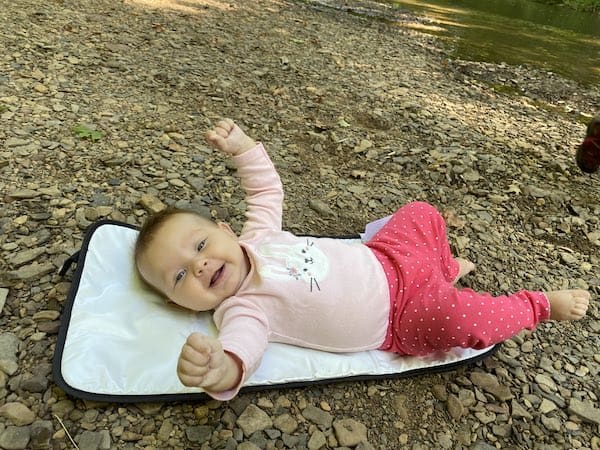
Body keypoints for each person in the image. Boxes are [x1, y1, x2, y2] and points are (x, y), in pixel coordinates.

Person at [134, 119, 590, 400]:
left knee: (419, 212)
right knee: (459, 319)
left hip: (384, 256)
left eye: (198, 246)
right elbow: (243, 350)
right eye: (179, 277)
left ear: (227, 232)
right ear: (181, 305)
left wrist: (244, 148)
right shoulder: (241, 310)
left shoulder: (259, 234)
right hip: (401, 318)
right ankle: (537, 305)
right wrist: (221, 370)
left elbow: (265, 190)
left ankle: (446, 269)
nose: (198, 266)